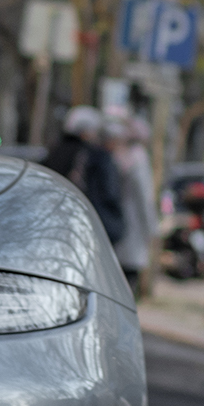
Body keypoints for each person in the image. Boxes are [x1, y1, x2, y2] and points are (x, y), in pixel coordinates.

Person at [46, 105, 127, 250]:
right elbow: (109, 193)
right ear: (86, 132)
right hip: (89, 229)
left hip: (53, 229)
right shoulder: (97, 157)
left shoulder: (54, 152)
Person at [107, 113, 157, 295]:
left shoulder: (118, 155)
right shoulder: (139, 158)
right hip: (133, 226)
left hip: (115, 227)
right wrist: (151, 229)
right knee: (127, 285)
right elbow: (145, 198)